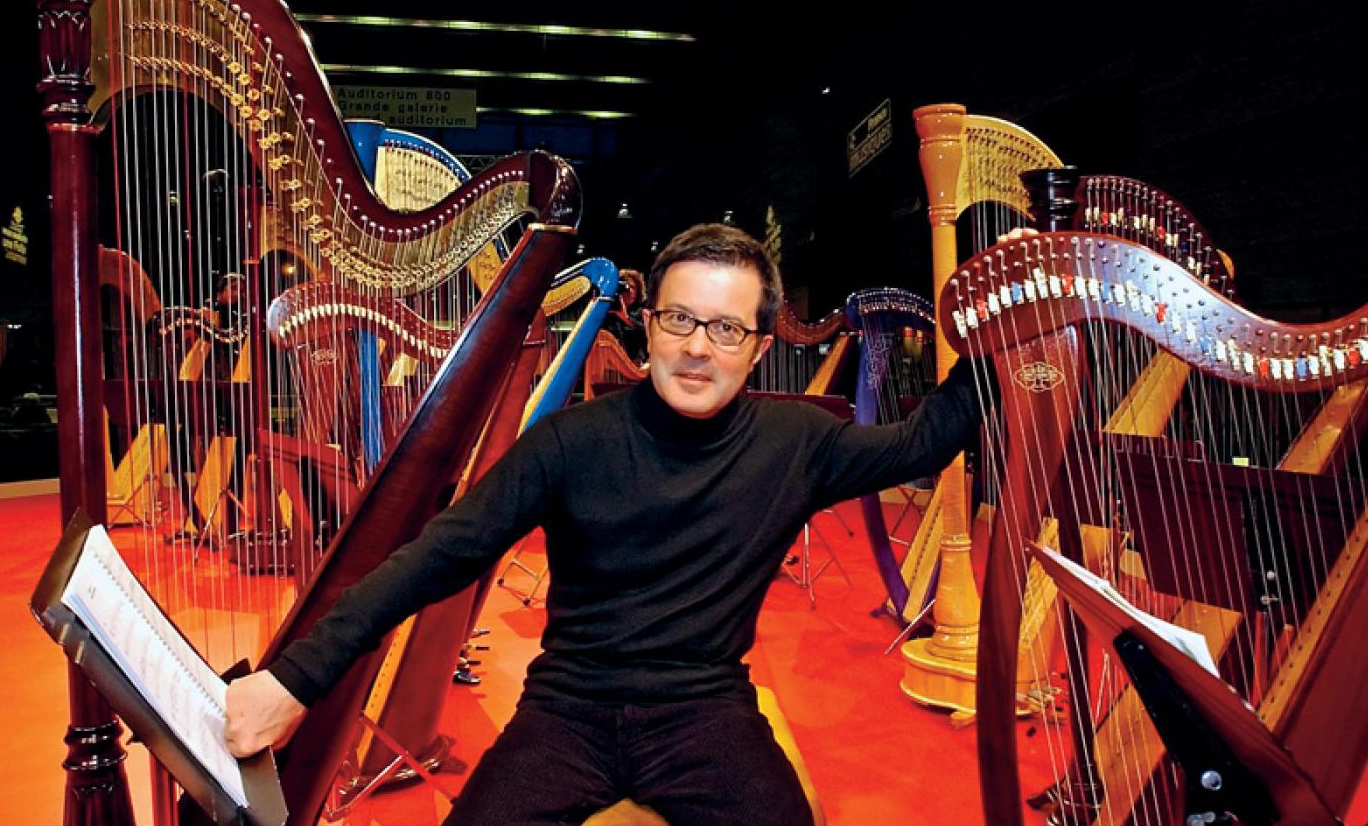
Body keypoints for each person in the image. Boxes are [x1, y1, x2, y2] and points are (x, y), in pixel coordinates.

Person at [225, 224, 994, 825]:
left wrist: (1006, 316)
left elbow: (925, 441)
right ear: (648, 328)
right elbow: (437, 556)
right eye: (680, 320)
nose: (698, 348)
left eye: (726, 329)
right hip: (568, 709)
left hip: (705, 709)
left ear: (760, 348)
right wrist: (296, 678)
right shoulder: (570, 442)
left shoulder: (797, 443)